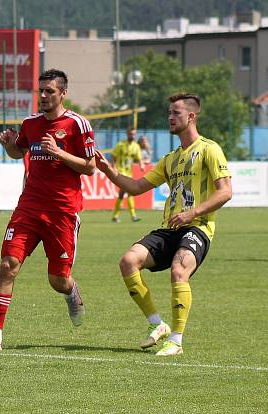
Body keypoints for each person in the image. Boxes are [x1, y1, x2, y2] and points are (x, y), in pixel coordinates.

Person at [95, 92, 232, 356]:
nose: (170, 117)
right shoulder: (170, 158)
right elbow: (136, 187)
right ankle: (158, 325)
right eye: (169, 112)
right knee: (128, 261)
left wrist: (192, 214)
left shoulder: (209, 149)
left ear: (191, 116)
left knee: (179, 269)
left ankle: (177, 341)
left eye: (176, 113)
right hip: (170, 228)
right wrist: (108, 171)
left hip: (197, 227)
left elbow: (225, 191)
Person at [0, 69, 97, 352]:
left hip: (62, 213)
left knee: (58, 280)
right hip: (28, 208)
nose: (43, 96)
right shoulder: (30, 123)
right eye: (40, 91)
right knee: (8, 265)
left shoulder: (78, 124)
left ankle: (71, 292)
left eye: (49, 92)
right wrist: (9, 145)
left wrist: (59, 153)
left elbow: (90, 167)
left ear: (63, 93)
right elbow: (20, 152)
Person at [110, 127, 143, 223]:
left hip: (129, 173)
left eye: (134, 134)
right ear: (127, 134)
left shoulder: (136, 146)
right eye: (131, 134)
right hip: (121, 172)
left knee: (122, 194)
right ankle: (133, 216)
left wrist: (141, 164)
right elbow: (114, 156)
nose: (133, 136)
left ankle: (115, 216)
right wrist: (114, 167)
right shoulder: (120, 145)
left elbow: (139, 158)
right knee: (129, 192)